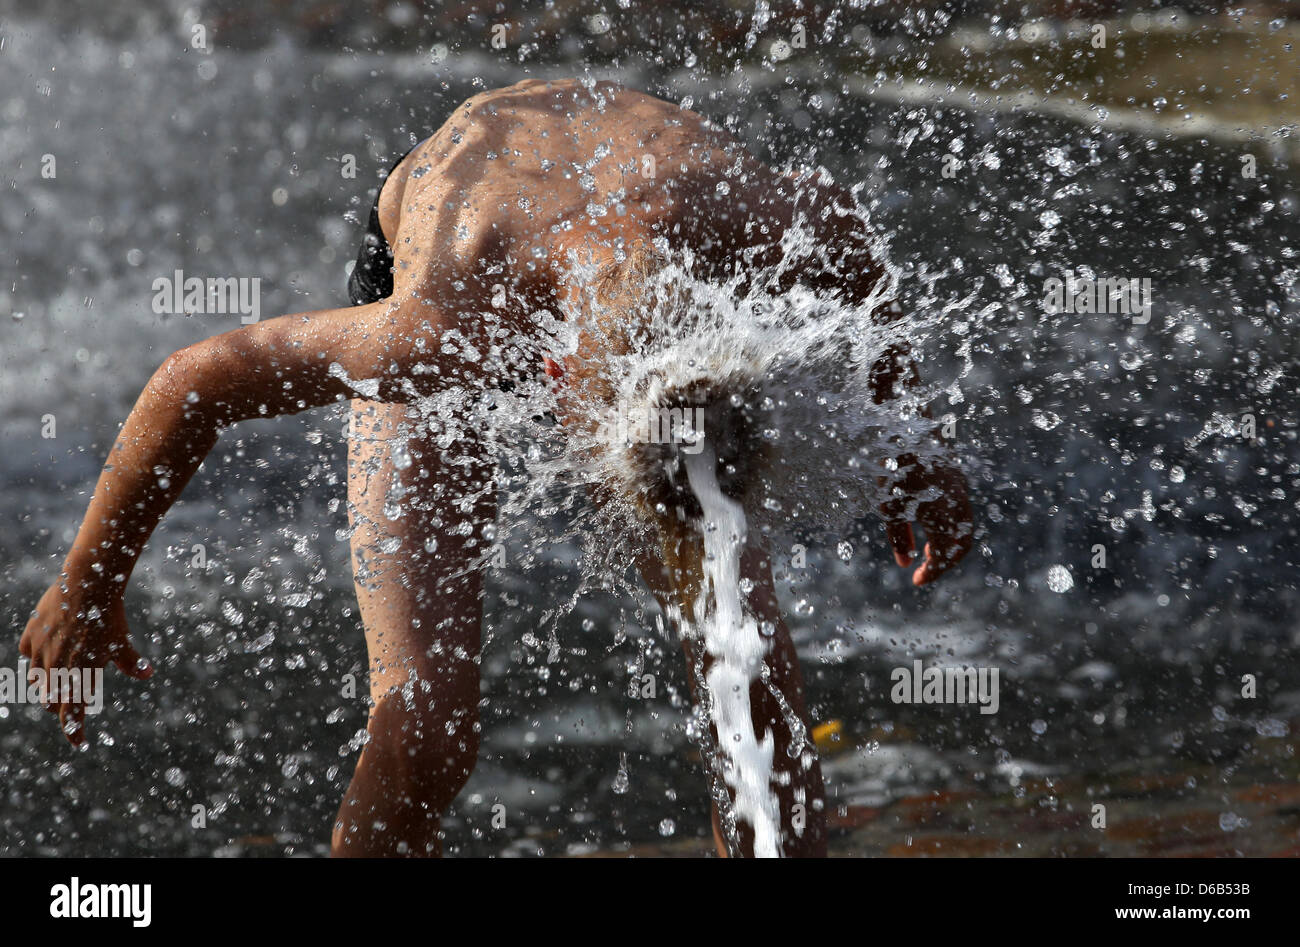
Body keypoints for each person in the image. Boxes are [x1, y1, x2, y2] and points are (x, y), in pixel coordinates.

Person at [20, 78, 972, 857]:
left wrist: (910, 443)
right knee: (426, 722)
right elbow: (193, 381)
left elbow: (858, 258)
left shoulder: (760, 226)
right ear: (557, 383)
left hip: (612, 204)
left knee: (750, 683)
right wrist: (85, 583)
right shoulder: (440, 331)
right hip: (459, 231)